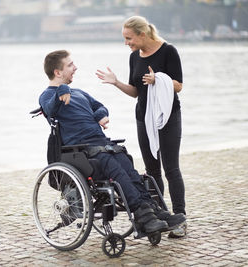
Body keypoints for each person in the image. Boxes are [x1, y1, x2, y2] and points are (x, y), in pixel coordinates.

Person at [39, 49, 185, 234]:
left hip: (101, 144)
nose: (75, 67)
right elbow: (50, 110)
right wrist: (61, 90)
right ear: (57, 72)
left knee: (129, 168)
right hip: (80, 150)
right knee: (114, 169)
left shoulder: (79, 93)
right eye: (70, 65)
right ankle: (143, 216)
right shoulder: (47, 96)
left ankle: (153, 210)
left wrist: (100, 115)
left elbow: (99, 106)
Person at [96, 16, 187, 238]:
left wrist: (159, 79)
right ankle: (158, 216)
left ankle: (180, 219)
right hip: (143, 118)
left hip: (167, 117)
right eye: (125, 39)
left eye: (129, 38)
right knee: (152, 170)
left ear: (142, 34)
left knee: (171, 169)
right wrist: (116, 82)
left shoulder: (168, 51)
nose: (127, 43)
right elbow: (137, 92)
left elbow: (179, 86)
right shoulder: (133, 57)